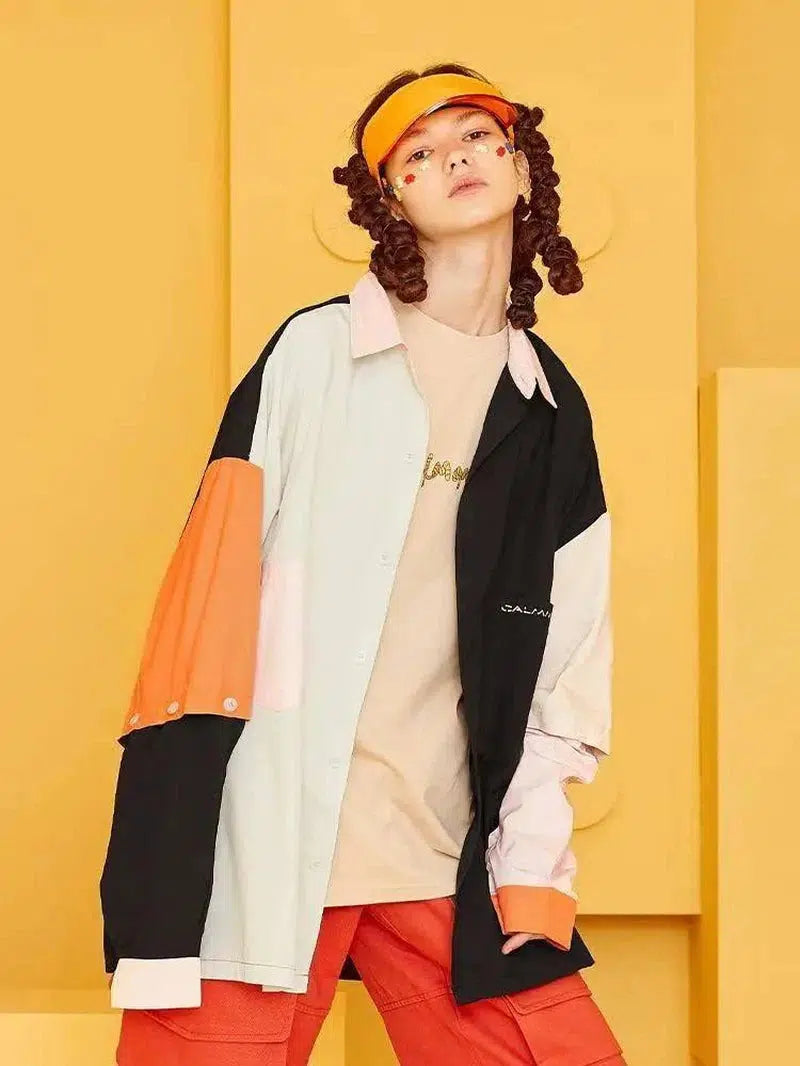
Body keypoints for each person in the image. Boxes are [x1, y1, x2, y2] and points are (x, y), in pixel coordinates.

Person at [102, 62, 625, 1065]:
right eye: (417, 154)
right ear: (391, 202)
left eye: (474, 136)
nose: (452, 158)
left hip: (438, 847)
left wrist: (532, 860)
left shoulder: (550, 409)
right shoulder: (318, 354)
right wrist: (170, 832)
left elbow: (566, 660)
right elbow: (204, 602)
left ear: (521, 169)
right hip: (266, 840)